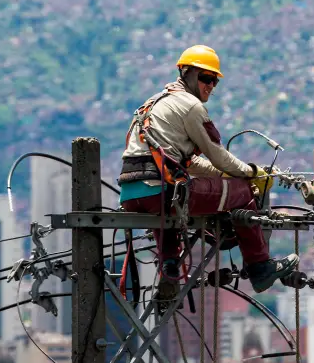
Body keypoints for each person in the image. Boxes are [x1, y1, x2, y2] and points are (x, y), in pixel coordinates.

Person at [118, 45, 298, 293]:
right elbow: (218, 155)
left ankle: (170, 267)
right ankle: (260, 267)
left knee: (169, 206)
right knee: (243, 192)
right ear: (186, 73)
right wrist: (251, 173)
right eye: (206, 78)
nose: (210, 86)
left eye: (214, 81)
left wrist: (223, 175)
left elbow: (189, 164)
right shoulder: (190, 106)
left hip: (132, 195)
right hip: (161, 192)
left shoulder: (154, 104)